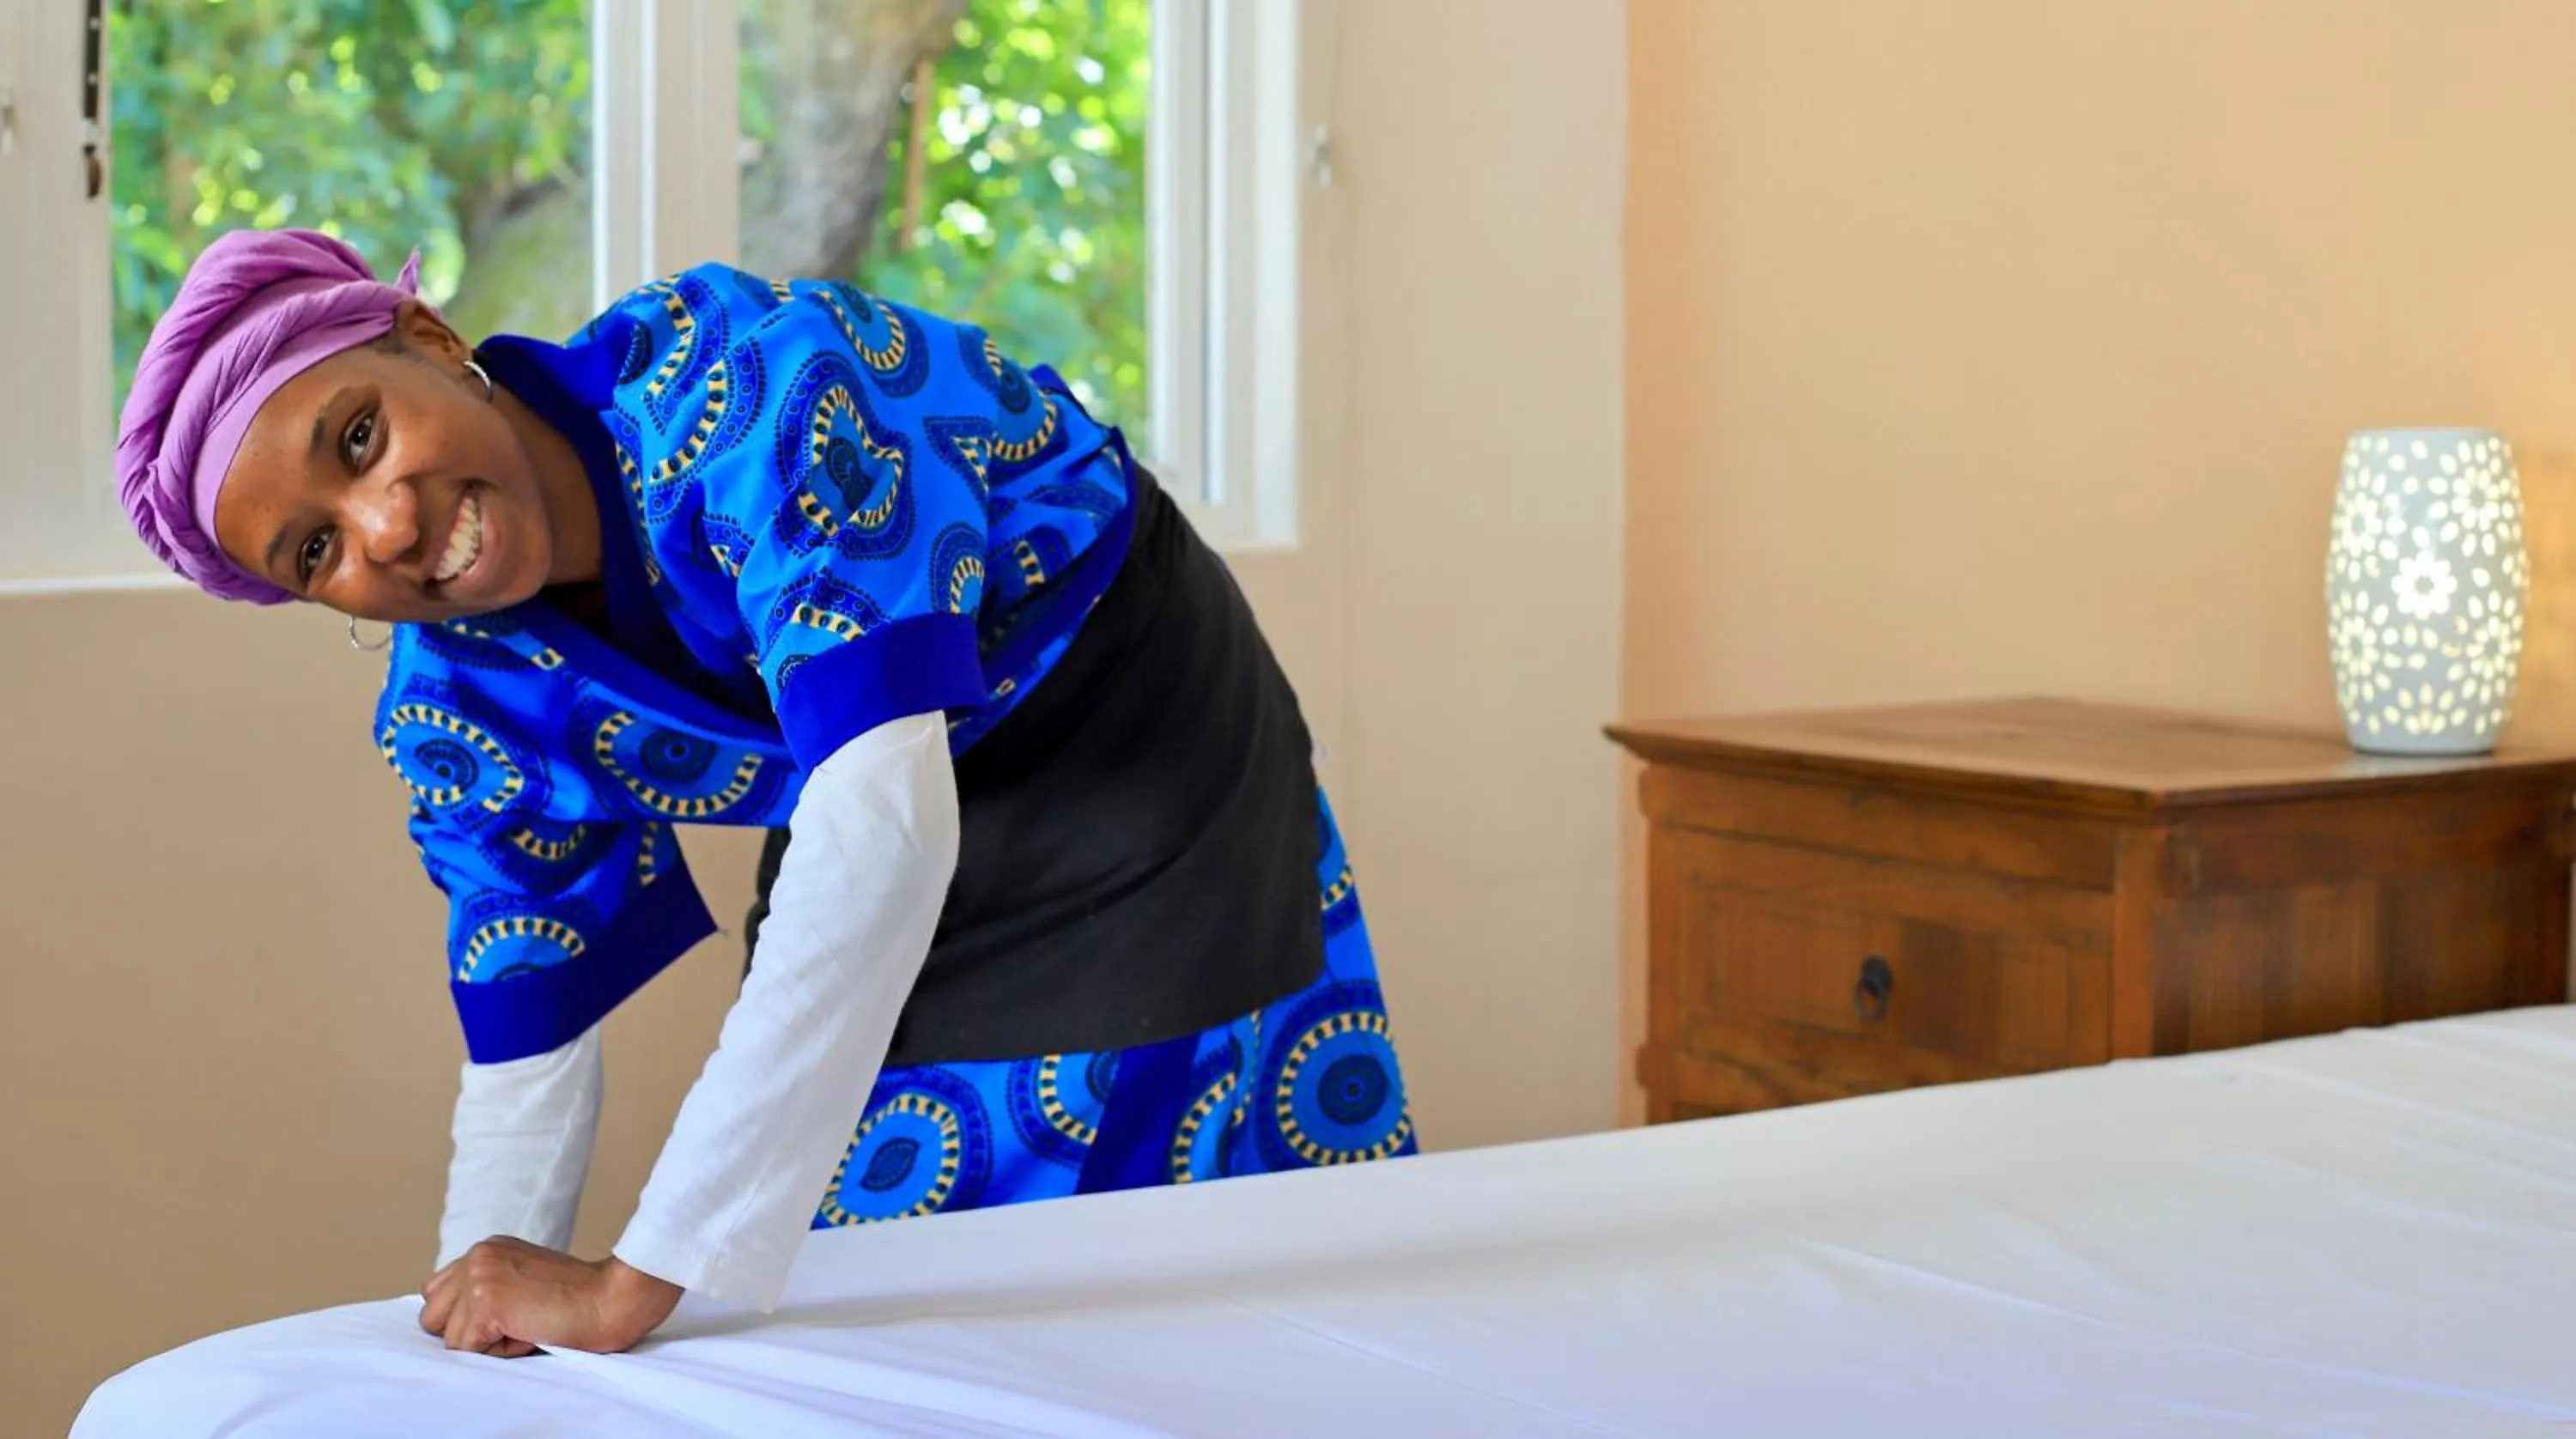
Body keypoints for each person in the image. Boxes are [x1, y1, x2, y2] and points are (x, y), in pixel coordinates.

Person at [116, 228, 1415, 1358]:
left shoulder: (753, 388)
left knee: (1104, 1209)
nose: (386, 529)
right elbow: (528, 1020)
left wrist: (633, 1284)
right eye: (318, 550)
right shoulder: (457, 694)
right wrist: (481, 1316)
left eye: (358, 438)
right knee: (866, 1214)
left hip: (1121, 732)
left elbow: (881, 836)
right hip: (882, 792)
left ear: (432, 340)